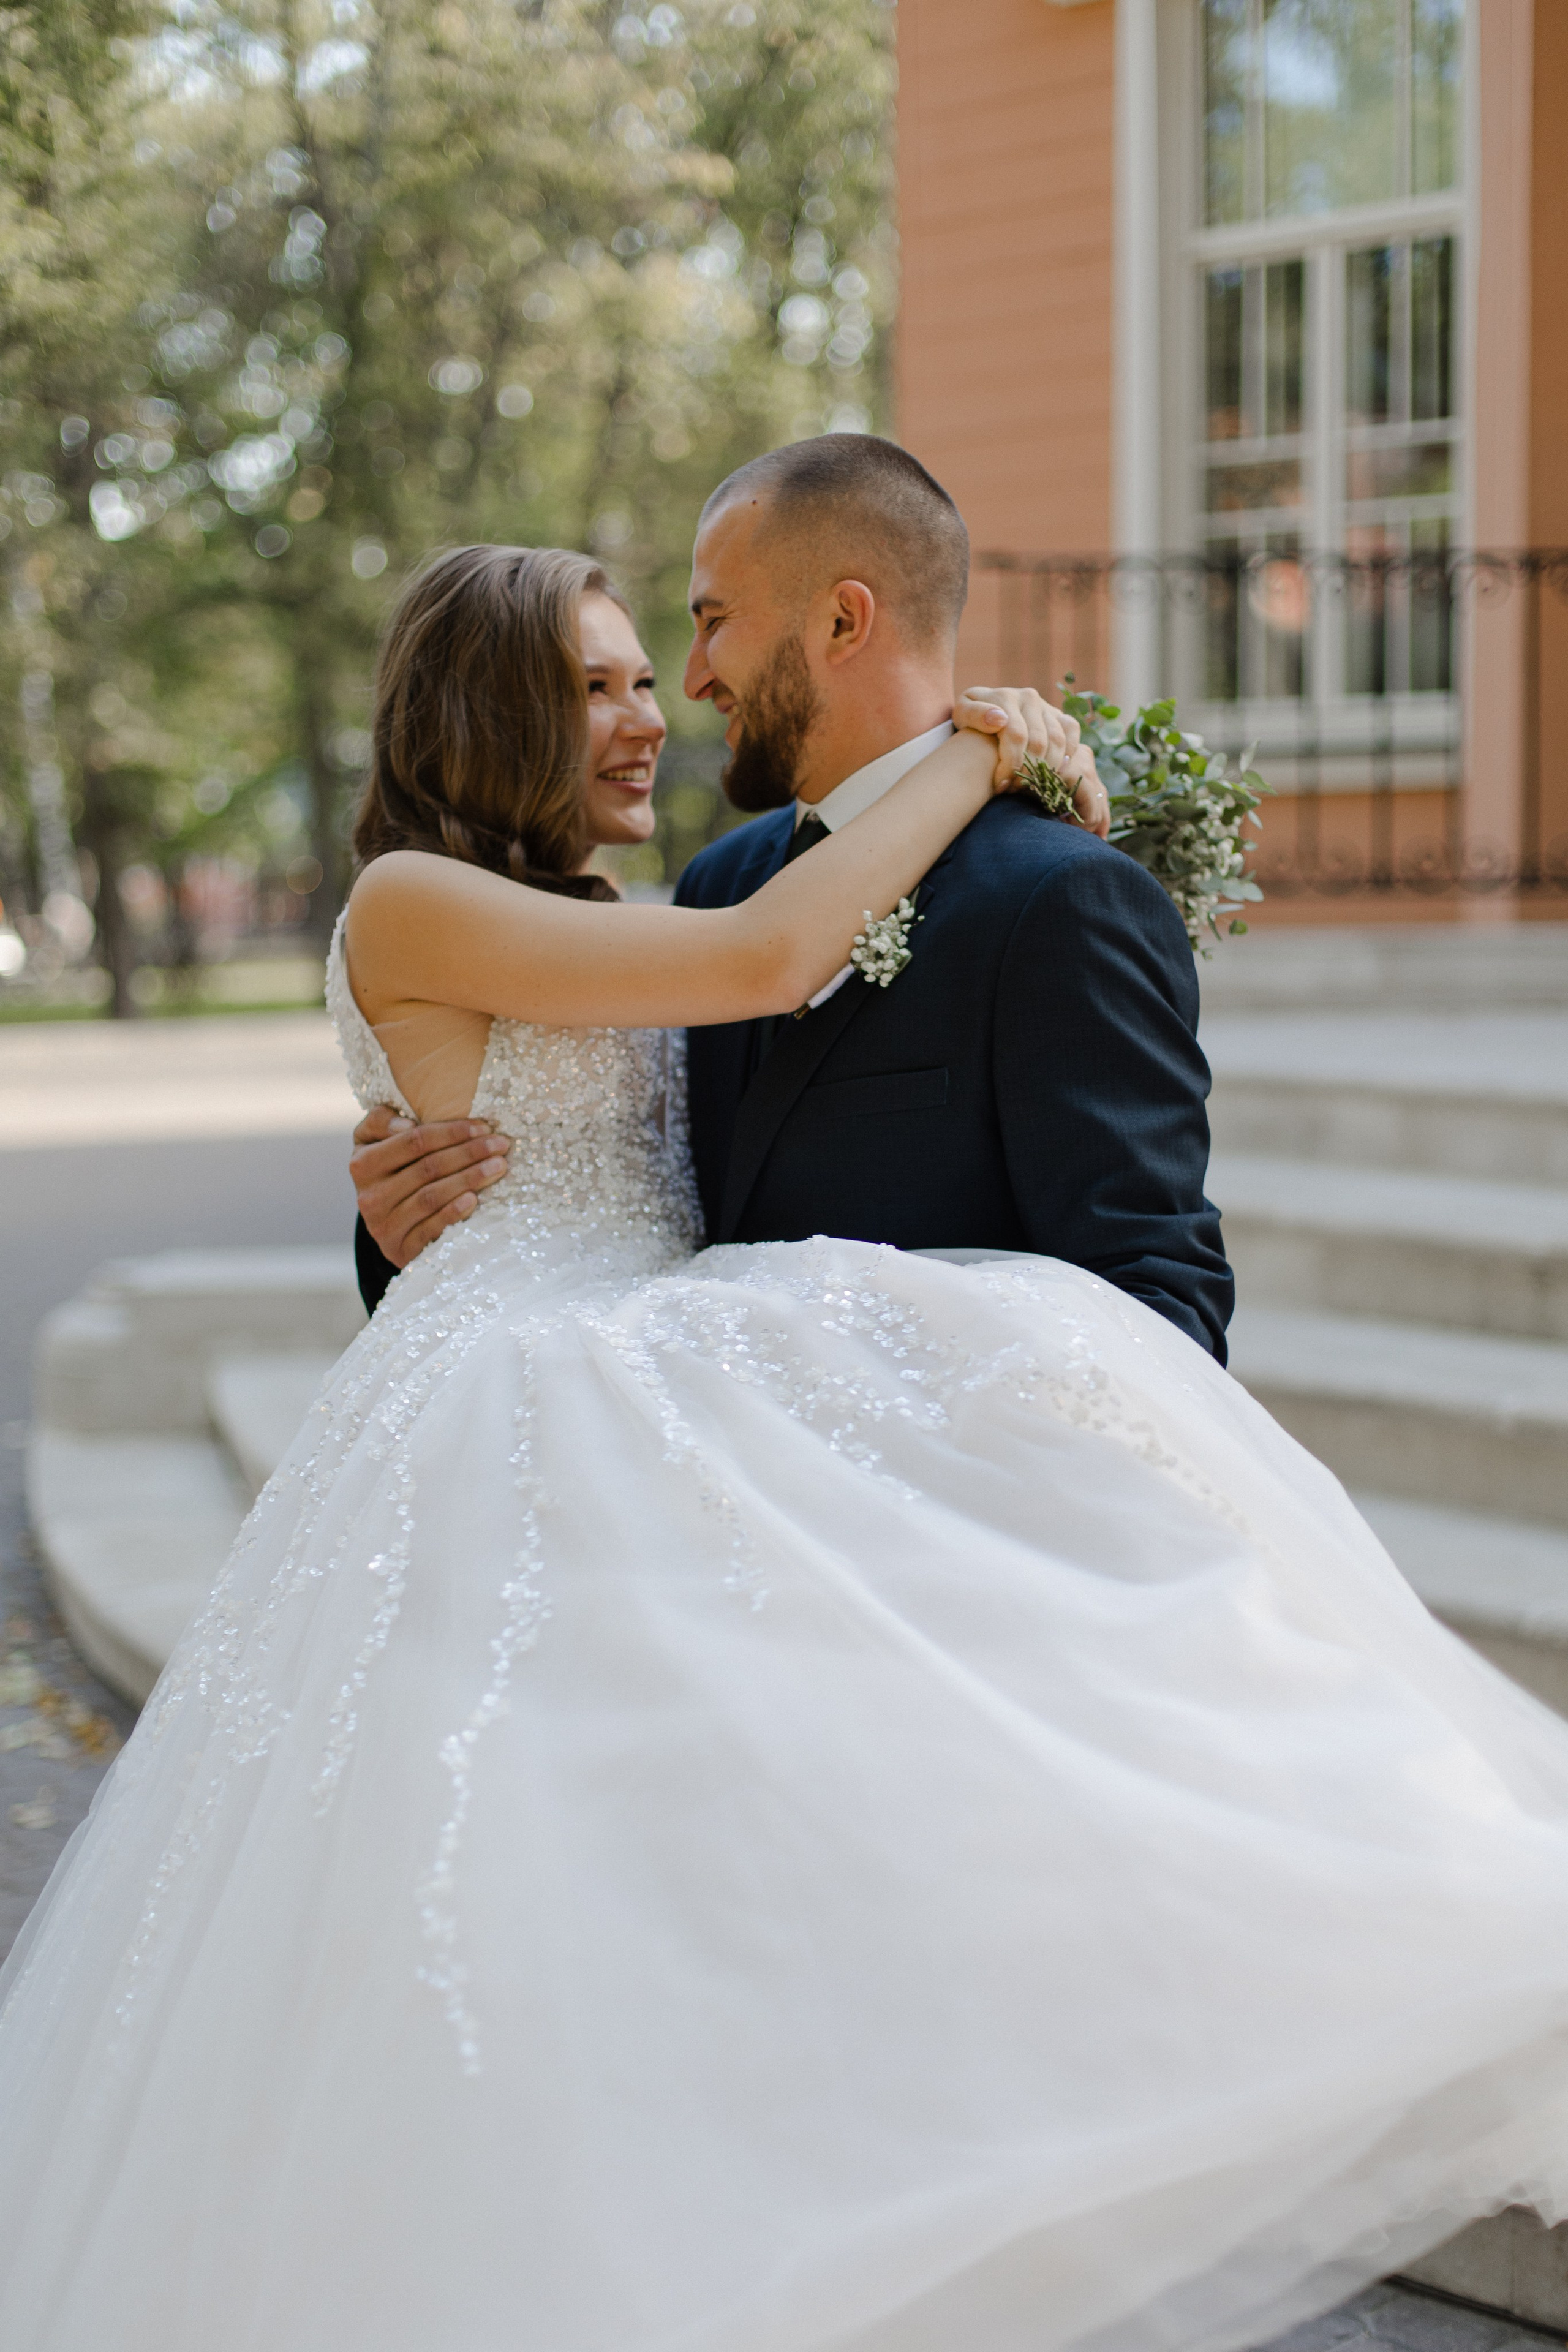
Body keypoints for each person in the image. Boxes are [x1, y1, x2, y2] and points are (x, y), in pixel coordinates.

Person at [7, 532, 1568, 2352]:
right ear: (482, 708)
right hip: (524, 1396)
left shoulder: (624, 907)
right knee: (505, 1926)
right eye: (595, 681)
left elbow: (631, 1106)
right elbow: (756, 964)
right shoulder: (425, 900)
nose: (653, 706)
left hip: (626, 1365)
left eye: (654, 665)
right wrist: (980, 754)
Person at [350, 437, 1232, 1366]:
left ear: (844, 624)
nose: (684, 690)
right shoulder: (721, 890)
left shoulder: (1060, 897)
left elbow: (1158, 1306)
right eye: (601, 687)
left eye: (713, 622)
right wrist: (405, 1220)